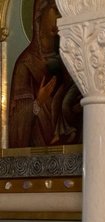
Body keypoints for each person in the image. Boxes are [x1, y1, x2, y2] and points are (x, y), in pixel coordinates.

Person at [8, 0, 83, 148]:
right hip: (33, 155)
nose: (60, 18)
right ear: (39, 14)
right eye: (56, 11)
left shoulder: (68, 59)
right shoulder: (26, 64)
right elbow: (17, 124)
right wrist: (38, 102)